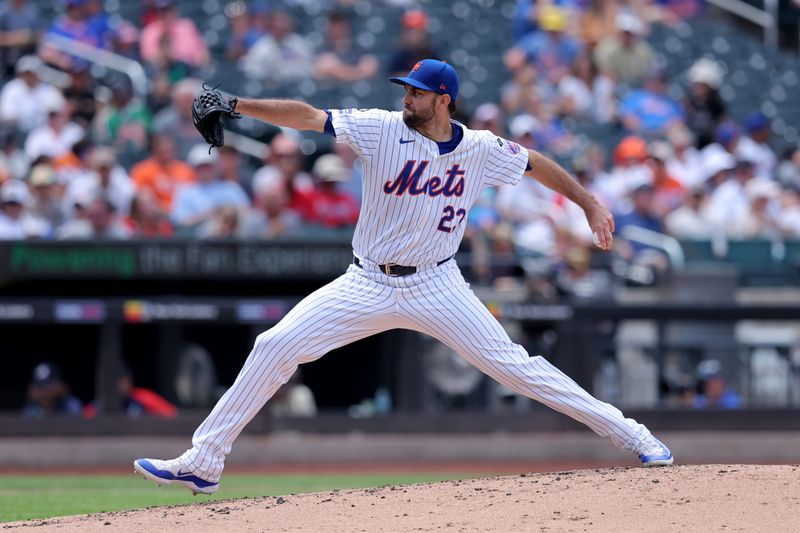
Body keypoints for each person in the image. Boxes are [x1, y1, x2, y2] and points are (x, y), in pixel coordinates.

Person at [134, 59, 673, 496]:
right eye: (406, 90)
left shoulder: (480, 148)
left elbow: (534, 162)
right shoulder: (381, 128)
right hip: (367, 281)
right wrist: (236, 105)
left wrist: (588, 202)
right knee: (275, 344)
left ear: (443, 100)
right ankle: (203, 462)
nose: (406, 98)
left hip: (437, 283)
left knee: (518, 369)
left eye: (416, 93)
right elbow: (307, 117)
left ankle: (636, 436)